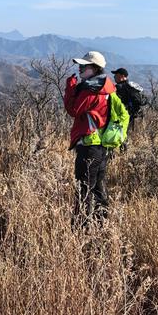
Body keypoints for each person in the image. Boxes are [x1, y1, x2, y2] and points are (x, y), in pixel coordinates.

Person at [63, 51, 116, 227]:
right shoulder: (107, 87)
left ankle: (81, 228)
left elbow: (73, 110)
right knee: (98, 188)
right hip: (102, 145)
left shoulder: (91, 90)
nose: (80, 69)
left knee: (83, 189)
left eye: (83, 66)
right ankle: (102, 225)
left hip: (88, 145)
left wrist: (70, 87)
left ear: (94, 68)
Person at [110, 68, 148, 148]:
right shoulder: (131, 86)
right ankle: (125, 150)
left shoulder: (119, 87)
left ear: (122, 76)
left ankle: (122, 150)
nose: (114, 77)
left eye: (116, 75)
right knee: (125, 134)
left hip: (123, 115)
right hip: (132, 114)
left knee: (120, 134)